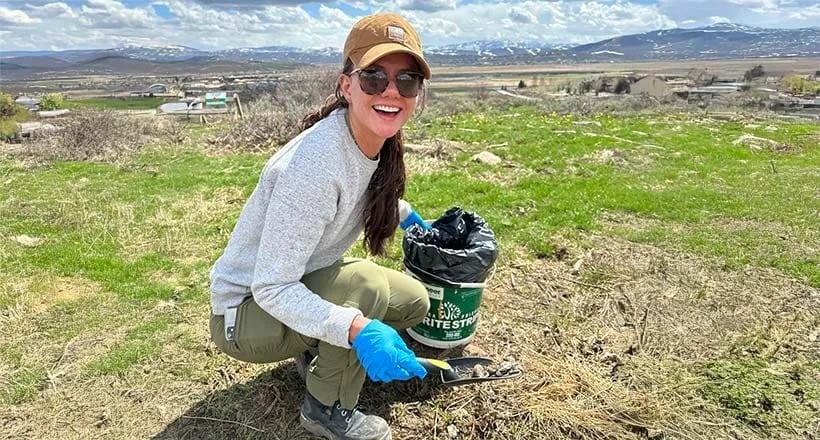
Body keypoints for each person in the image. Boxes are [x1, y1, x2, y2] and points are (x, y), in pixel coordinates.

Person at [208, 12, 433, 440]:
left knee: (413, 302)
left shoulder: (371, 140)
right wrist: (356, 328)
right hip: (244, 315)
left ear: (417, 94)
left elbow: (361, 187)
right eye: (373, 77)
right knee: (366, 287)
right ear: (346, 84)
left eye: (406, 81)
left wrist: (407, 215)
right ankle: (326, 410)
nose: (391, 91)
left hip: (290, 285)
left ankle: (319, 349)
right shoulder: (313, 167)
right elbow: (272, 287)